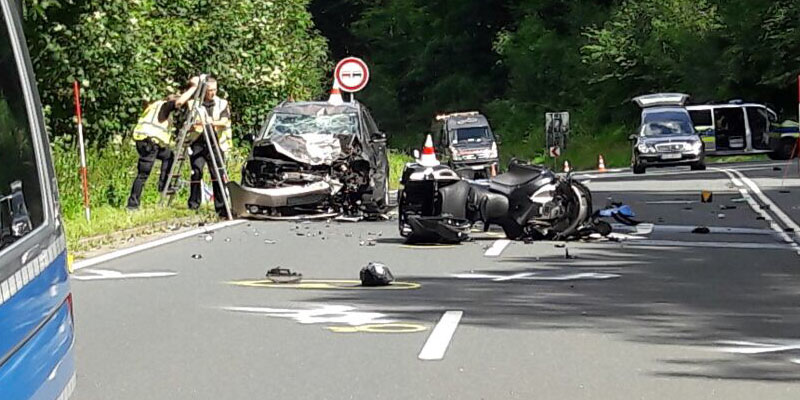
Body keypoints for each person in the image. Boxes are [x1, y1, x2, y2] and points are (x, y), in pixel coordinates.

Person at [126, 77, 199, 210]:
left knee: (169, 156)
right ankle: (132, 205)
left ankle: (164, 183)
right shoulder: (166, 105)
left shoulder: (155, 105)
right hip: (150, 142)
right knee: (143, 174)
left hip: (145, 141)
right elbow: (178, 102)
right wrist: (194, 88)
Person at [187, 76, 232, 218]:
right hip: (198, 142)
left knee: (217, 175)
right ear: (203, 91)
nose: (212, 93)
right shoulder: (193, 104)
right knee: (196, 172)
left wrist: (210, 121)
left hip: (216, 143)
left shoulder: (222, 103)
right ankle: (194, 204)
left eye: (214, 90)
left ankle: (221, 206)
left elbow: (225, 121)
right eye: (209, 90)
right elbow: (191, 122)